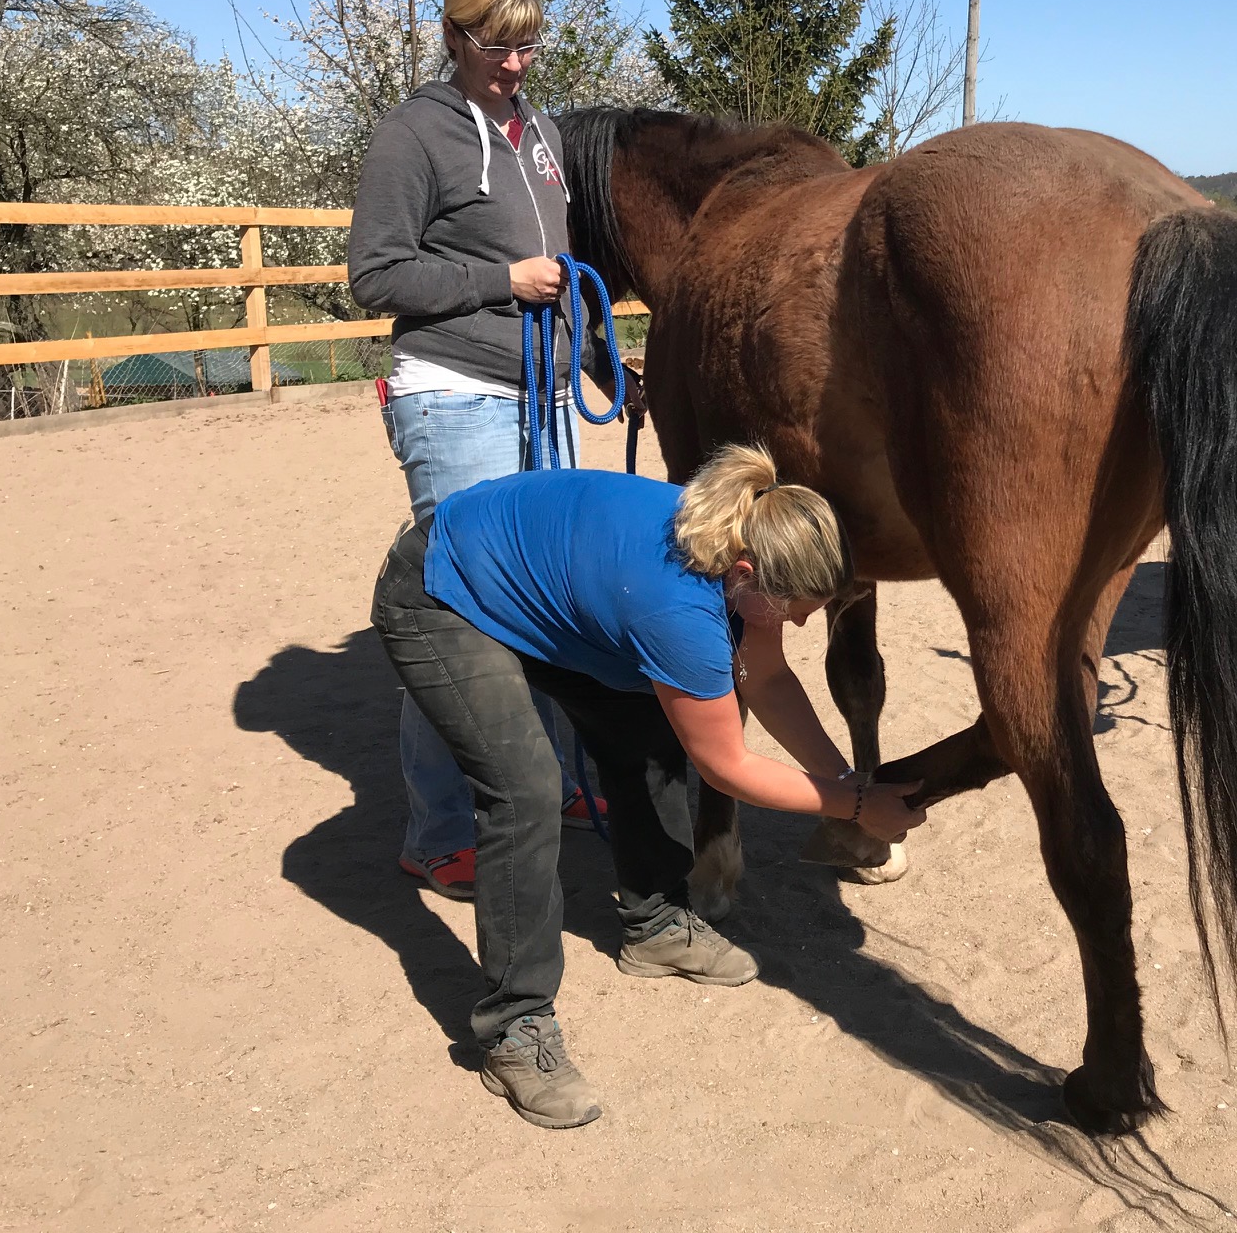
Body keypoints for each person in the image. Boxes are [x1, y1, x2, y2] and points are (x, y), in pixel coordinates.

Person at [369, 444, 924, 1128]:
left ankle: (657, 922)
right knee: (526, 790)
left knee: (647, 733)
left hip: (534, 583)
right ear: (747, 573)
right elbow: (726, 765)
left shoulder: (740, 544)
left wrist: (845, 781)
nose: (804, 622)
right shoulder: (679, 610)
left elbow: (769, 680)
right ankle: (514, 1027)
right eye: (798, 609)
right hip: (440, 592)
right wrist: (856, 805)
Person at [349, 0, 599, 900]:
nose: (517, 64)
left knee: (554, 600)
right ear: (456, 37)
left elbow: (561, 265)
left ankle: (557, 783)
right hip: (454, 394)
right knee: (462, 613)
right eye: (499, 47)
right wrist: (499, 283)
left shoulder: (537, 134)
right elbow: (375, 275)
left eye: (529, 45)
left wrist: (601, 361)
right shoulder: (413, 136)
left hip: (541, 397)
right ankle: (441, 826)